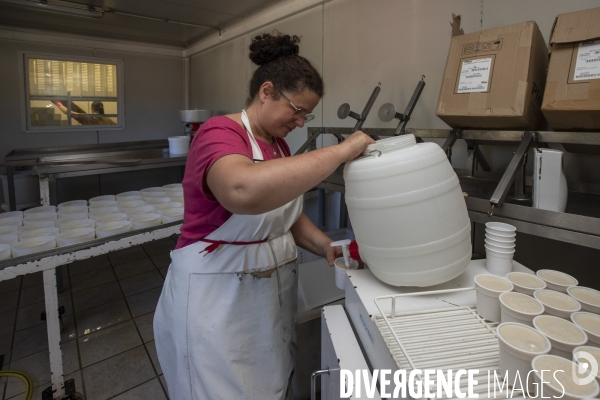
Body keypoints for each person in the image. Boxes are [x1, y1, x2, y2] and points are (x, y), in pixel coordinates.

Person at [153, 32, 375, 400]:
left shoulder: (278, 144)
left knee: (267, 386)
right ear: (266, 92)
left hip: (263, 301)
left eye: (308, 114)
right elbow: (243, 191)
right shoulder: (219, 133)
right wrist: (339, 151)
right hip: (216, 299)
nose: (301, 122)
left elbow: (283, 215)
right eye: (297, 110)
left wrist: (324, 246)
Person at [51, 100, 116, 125]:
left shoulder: (88, 117)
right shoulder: (108, 120)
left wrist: (58, 103)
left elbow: (67, 112)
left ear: (92, 108)